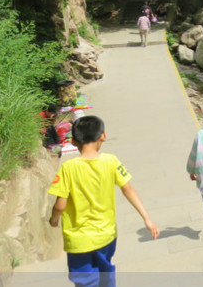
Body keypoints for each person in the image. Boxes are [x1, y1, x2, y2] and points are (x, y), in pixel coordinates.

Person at [48, 115, 159, 287]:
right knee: (105, 270)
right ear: (103, 136)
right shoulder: (111, 161)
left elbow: (60, 205)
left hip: (78, 240)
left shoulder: (67, 168)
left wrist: (53, 221)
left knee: (86, 280)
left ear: (74, 141)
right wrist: (147, 219)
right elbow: (128, 188)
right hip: (106, 235)